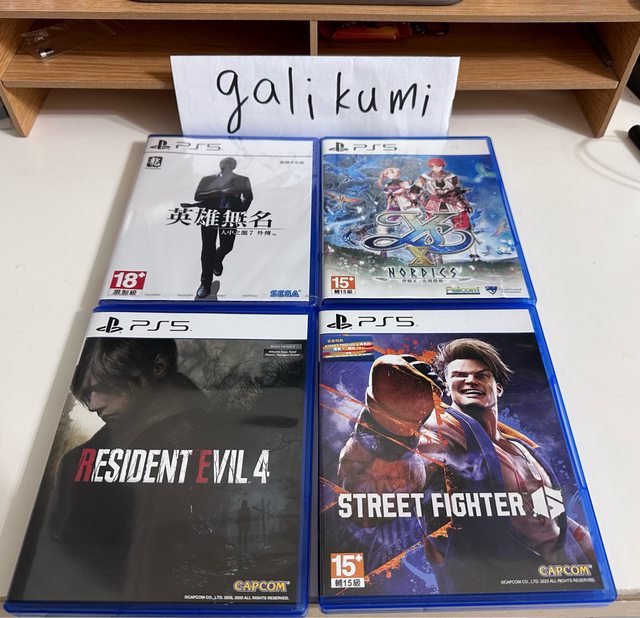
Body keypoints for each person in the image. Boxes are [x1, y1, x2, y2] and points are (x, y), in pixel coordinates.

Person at [337, 339, 595, 593]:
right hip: (488, 590)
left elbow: (553, 519)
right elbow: (369, 500)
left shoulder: (523, 448)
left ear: (498, 388)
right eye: (459, 376)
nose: (471, 380)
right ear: (446, 389)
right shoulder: (440, 431)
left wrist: (592, 560)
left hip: (557, 580)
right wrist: (386, 425)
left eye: (481, 375)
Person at [30, 338, 209, 601]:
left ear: (157, 368)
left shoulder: (213, 438)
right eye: (86, 394)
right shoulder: (77, 464)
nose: (93, 405)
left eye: (103, 386)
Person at [191, 157, 253, 298]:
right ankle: (205, 283)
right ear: (220, 165)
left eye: (230, 164)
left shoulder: (242, 179)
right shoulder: (207, 179)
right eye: (224, 163)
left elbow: (248, 197)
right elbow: (198, 196)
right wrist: (219, 192)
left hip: (230, 216)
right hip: (210, 215)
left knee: (227, 246)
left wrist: (240, 211)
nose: (226, 166)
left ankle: (217, 259)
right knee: (208, 249)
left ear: (234, 166)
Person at [414, 158, 472, 230]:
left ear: (442, 166)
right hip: (434, 201)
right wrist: (414, 200)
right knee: (431, 220)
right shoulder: (425, 177)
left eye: (439, 165)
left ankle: (463, 231)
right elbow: (415, 189)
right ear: (431, 166)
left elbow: (457, 191)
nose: (437, 168)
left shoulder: (451, 177)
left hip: (452, 200)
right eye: (435, 166)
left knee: (461, 216)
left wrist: (466, 204)